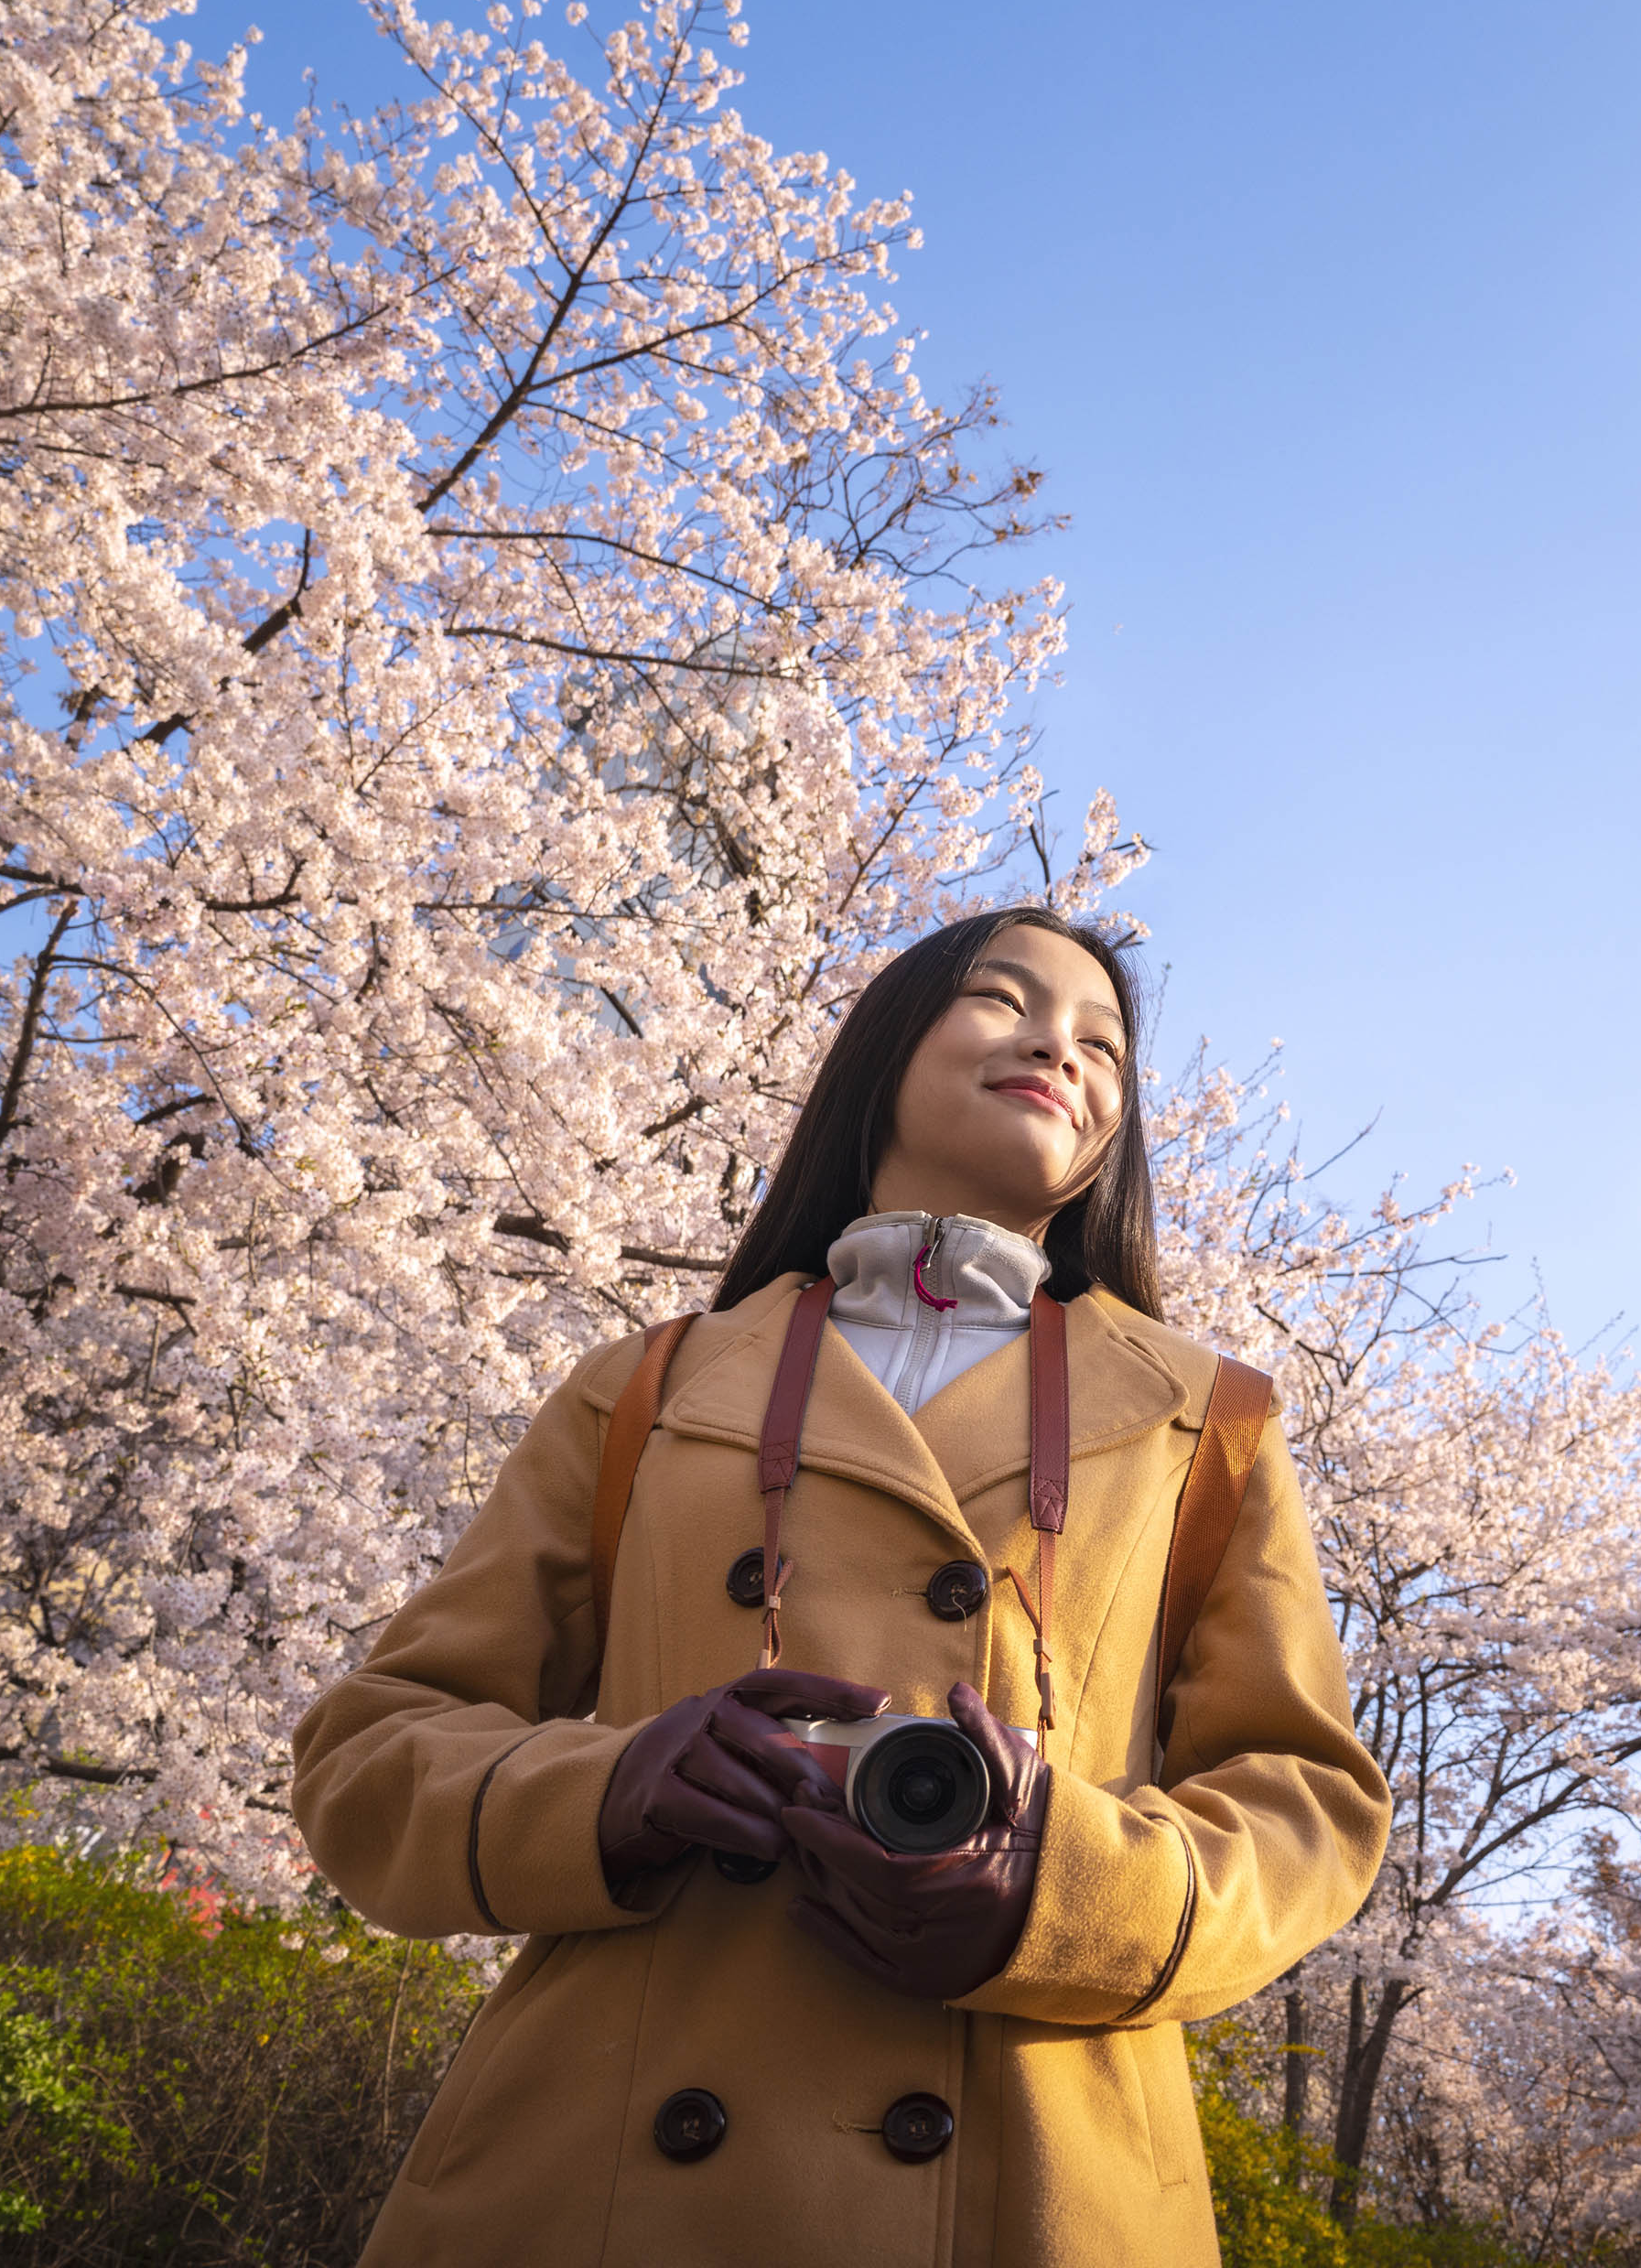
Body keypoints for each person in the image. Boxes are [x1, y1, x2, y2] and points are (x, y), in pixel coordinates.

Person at [294, 907, 1388, 2266]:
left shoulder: (1207, 1423)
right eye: (1004, 1001)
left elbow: (1305, 1808)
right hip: (604, 2164)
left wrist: (1065, 1887)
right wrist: (613, 1787)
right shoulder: (653, 1384)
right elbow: (371, 1752)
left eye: (1103, 1046)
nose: (1061, 1045)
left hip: (1034, 2161)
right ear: (885, 1049)